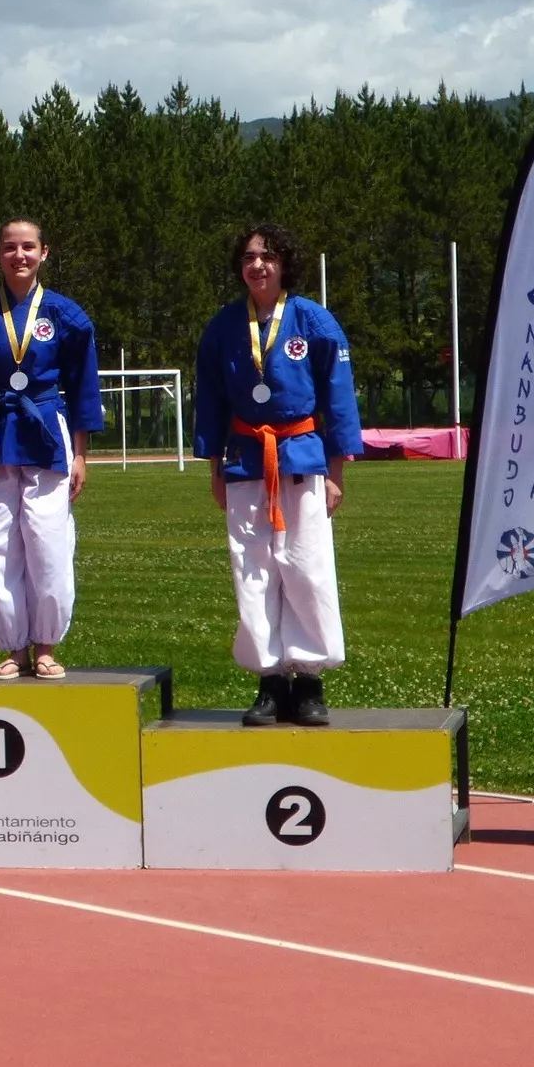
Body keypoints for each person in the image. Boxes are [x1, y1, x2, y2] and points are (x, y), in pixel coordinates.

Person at [193, 222, 363, 726]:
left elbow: (339, 398)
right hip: (245, 458)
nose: (257, 265)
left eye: (267, 256)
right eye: (248, 257)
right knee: (253, 569)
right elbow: (210, 402)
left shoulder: (314, 321)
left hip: (303, 455)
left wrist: (336, 472)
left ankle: (309, 680)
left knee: (306, 566)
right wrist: (214, 468)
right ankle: (269, 680)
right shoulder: (223, 327)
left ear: (284, 262)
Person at [0, 217, 104, 679]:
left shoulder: (66, 316)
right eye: (10, 248)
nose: (19, 256)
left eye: (28, 247)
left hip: (48, 430)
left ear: (44, 253)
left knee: (48, 540)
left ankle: (46, 645)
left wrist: (82, 454)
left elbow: (82, 387)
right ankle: (12, 648)